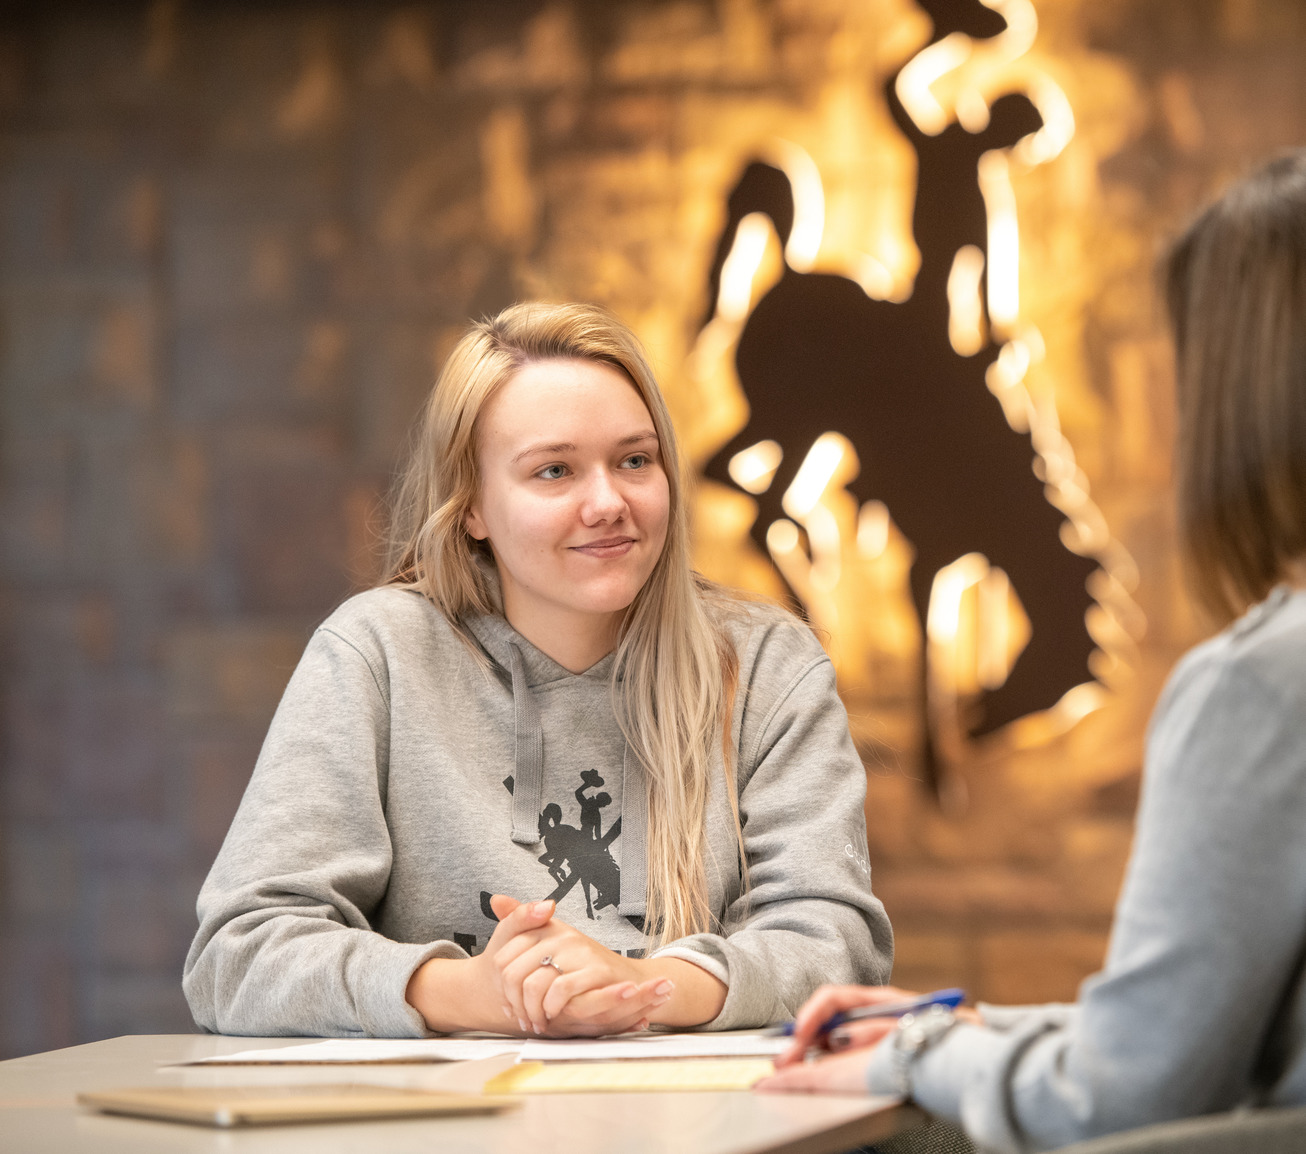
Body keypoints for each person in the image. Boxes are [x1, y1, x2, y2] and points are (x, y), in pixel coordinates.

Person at [758, 149, 1306, 1150]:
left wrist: (914, 1057)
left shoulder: (1265, 685)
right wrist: (951, 1027)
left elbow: (1118, 1094)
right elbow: (1212, 1039)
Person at [183, 301, 892, 1039]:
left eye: (635, 461)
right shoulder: (378, 656)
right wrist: (471, 992)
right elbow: (237, 956)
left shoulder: (769, 664)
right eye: (554, 471)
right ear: (472, 508)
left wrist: (646, 986)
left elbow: (836, 942)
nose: (608, 502)